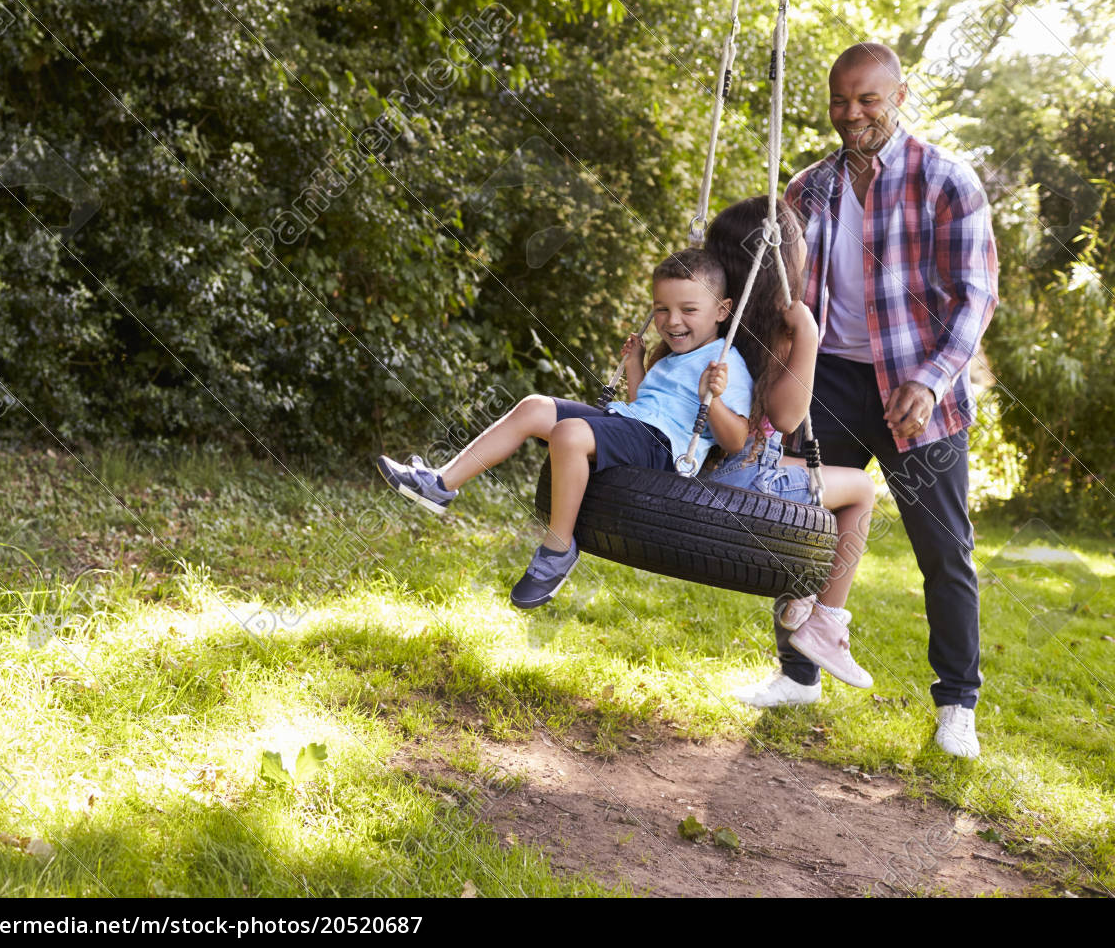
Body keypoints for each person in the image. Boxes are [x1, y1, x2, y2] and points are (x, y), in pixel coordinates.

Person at [734, 43, 999, 760]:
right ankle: (797, 673)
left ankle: (956, 703)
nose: (852, 114)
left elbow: (977, 298)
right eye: (840, 102)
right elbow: (780, 292)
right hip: (829, 383)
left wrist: (934, 377)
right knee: (798, 528)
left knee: (945, 550)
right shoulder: (809, 188)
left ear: (900, 95)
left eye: (868, 100)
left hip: (916, 389)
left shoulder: (946, 180)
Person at [376, 248, 752, 609]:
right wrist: (635, 365)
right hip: (634, 425)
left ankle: (557, 548)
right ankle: (440, 485)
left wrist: (713, 398)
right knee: (534, 407)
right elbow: (644, 406)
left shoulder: (725, 362)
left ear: (722, 311)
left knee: (569, 433)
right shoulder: (674, 357)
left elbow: (735, 440)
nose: (672, 321)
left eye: (688, 309)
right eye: (661, 310)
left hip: (664, 450)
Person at [701, 195, 879, 693]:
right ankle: (826, 620)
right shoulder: (780, 328)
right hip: (746, 480)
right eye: (797, 241)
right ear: (778, 255)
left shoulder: (706, 316)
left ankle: (802, 594)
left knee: (813, 479)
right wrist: (810, 338)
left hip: (699, 469)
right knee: (861, 488)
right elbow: (785, 415)